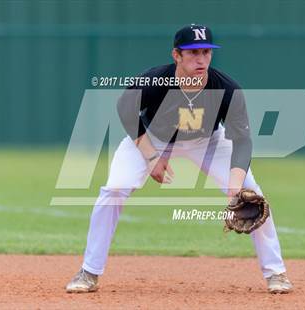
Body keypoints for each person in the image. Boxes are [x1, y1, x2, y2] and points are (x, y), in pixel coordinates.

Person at [66, 24, 293, 294]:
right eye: (193, 52)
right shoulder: (155, 81)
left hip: (207, 141)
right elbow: (125, 109)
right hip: (152, 138)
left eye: (206, 52)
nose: (201, 59)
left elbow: (242, 140)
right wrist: (150, 157)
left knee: (252, 195)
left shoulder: (227, 89)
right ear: (176, 55)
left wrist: (235, 186)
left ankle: (276, 273)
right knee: (114, 189)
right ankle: (89, 272)